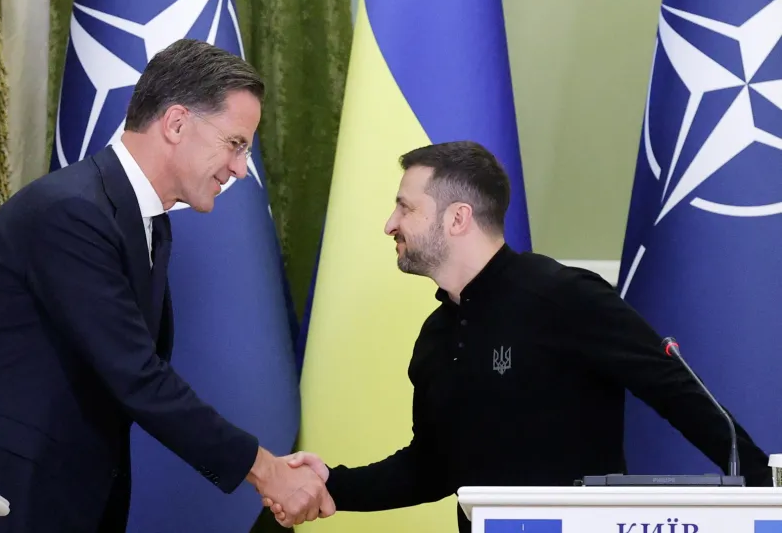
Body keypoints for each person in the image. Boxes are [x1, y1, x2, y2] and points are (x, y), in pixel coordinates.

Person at [0, 38, 333, 532]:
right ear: (175, 123)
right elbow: (136, 376)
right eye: (235, 144)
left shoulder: (149, 223)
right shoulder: (71, 213)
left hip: (67, 497)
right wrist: (265, 469)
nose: (238, 168)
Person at [264, 140, 772, 532]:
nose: (389, 223)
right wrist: (331, 483)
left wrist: (766, 493)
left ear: (457, 218)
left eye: (405, 206)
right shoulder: (437, 336)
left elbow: (677, 393)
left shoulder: (563, 296)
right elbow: (433, 468)